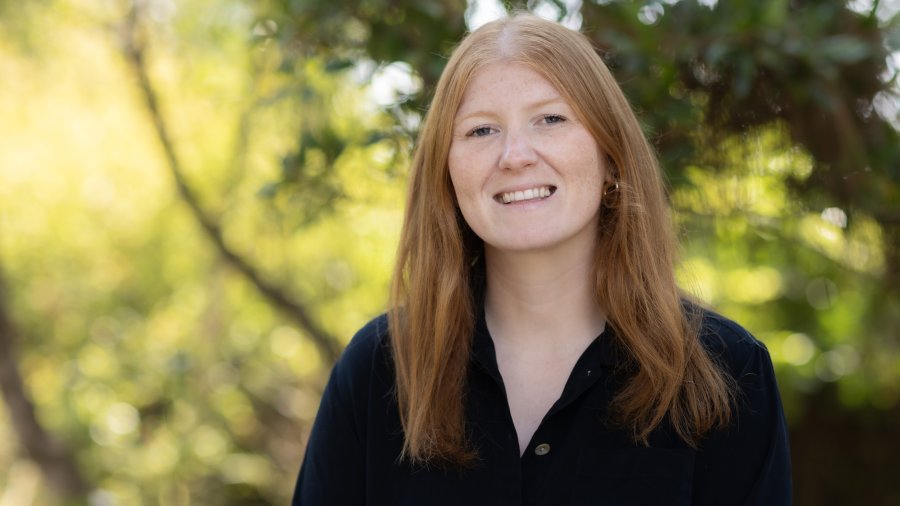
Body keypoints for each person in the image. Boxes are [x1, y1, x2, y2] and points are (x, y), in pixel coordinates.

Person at [292, 13, 791, 506]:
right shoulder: (377, 370)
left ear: (610, 155)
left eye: (550, 119)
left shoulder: (727, 372)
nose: (515, 155)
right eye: (481, 131)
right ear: (447, 173)